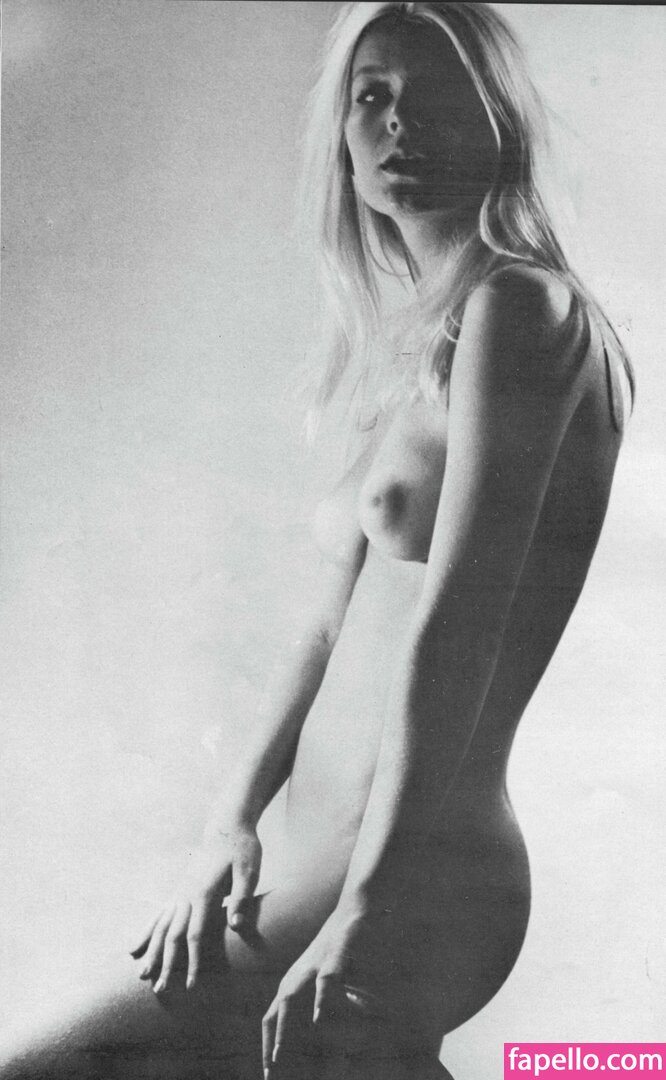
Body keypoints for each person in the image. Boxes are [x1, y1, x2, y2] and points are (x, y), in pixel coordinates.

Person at [0, 2, 634, 1078]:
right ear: (340, 137)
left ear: (497, 115)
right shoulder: (420, 339)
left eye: (434, 95)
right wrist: (230, 823)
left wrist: (369, 908)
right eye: (372, 97)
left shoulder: (522, 310)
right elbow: (329, 627)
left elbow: (458, 624)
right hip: (317, 865)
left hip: (405, 872)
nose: (399, 124)